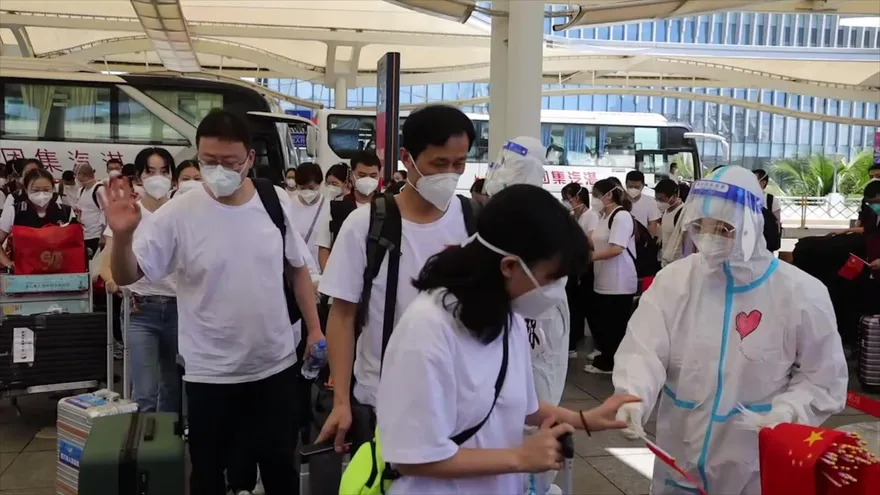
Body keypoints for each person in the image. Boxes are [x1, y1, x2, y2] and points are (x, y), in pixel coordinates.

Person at [105, 109, 323, 495]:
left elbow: (297, 270)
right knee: (208, 472)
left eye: (229, 162)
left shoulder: (274, 201)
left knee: (279, 469)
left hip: (274, 364)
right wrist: (123, 237)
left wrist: (315, 330)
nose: (218, 170)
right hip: (210, 372)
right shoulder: (178, 214)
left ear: (250, 160)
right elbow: (127, 275)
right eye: (208, 161)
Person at [376, 184, 638, 495]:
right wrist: (519, 457)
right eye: (552, 278)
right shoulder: (427, 329)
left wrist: (584, 419)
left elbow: (517, 402)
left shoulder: (507, 315)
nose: (556, 290)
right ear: (510, 266)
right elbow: (413, 458)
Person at [612, 166, 848, 495]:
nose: (709, 235)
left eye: (723, 228)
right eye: (701, 226)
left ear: (751, 223)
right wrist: (632, 397)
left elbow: (824, 377)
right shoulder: (675, 282)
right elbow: (643, 349)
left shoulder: (801, 293)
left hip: (753, 459)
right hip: (680, 453)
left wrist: (787, 412)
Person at [317, 104, 476, 451]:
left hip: (459, 400)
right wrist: (341, 401)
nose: (450, 174)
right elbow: (342, 316)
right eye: (439, 164)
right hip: (384, 401)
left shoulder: (473, 221)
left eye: (459, 164)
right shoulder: (366, 225)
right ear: (407, 158)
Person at [100, 148, 179, 414]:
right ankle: (142, 448)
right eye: (150, 171)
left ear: (173, 177)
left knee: (173, 388)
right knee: (145, 392)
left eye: (164, 171)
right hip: (139, 310)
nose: (158, 177)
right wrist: (115, 281)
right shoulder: (127, 213)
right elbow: (106, 261)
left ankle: (168, 448)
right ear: (139, 177)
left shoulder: (182, 213)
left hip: (179, 309)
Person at [583, 179, 637, 375]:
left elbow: (617, 248)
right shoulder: (604, 216)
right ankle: (606, 358)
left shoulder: (621, 216)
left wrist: (591, 257)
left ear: (609, 195)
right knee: (604, 323)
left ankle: (612, 364)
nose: (594, 199)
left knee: (615, 325)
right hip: (603, 278)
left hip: (619, 280)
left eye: (596, 195)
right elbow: (598, 241)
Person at [0, 168, 78, 270]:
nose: (41, 194)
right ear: (26, 190)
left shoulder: (65, 211)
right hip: (25, 273)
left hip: (59, 272)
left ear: (53, 189)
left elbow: (74, 244)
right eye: (35, 190)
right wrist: (8, 264)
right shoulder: (15, 211)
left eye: (46, 190)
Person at [315, 154, 381, 271]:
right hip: (344, 274)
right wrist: (328, 278)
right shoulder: (336, 208)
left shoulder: (387, 207)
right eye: (362, 175)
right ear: (352, 175)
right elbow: (324, 247)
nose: (367, 180)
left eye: (373, 176)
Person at [561, 182, 597, 358]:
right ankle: (570, 342)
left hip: (585, 267)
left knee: (579, 306)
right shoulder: (573, 216)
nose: (566, 201)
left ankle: (574, 344)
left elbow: (592, 242)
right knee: (571, 304)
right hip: (572, 266)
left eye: (568, 198)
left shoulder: (591, 216)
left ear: (577, 198)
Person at [288, 162, 328, 271]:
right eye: (302, 188)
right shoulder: (289, 205)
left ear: (320, 184)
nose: (307, 192)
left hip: (321, 269)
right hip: (298, 269)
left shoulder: (329, 207)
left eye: (311, 187)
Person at [74, 163, 106, 258]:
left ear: (82, 175)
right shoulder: (81, 190)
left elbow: (106, 213)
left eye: (76, 175)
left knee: (96, 267)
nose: (76, 178)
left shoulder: (100, 190)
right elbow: (80, 210)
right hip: (84, 235)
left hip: (96, 235)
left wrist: (103, 236)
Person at [655, 178, 686, 267]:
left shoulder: (683, 213)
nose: (659, 202)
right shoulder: (665, 211)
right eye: (657, 199)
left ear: (674, 196)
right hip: (665, 262)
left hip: (678, 264)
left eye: (661, 199)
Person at [624, 170, 661, 236]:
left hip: (641, 241)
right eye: (630, 186)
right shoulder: (619, 200)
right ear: (626, 184)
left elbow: (652, 225)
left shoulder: (650, 201)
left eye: (637, 187)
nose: (633, 189)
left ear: (643, 186)